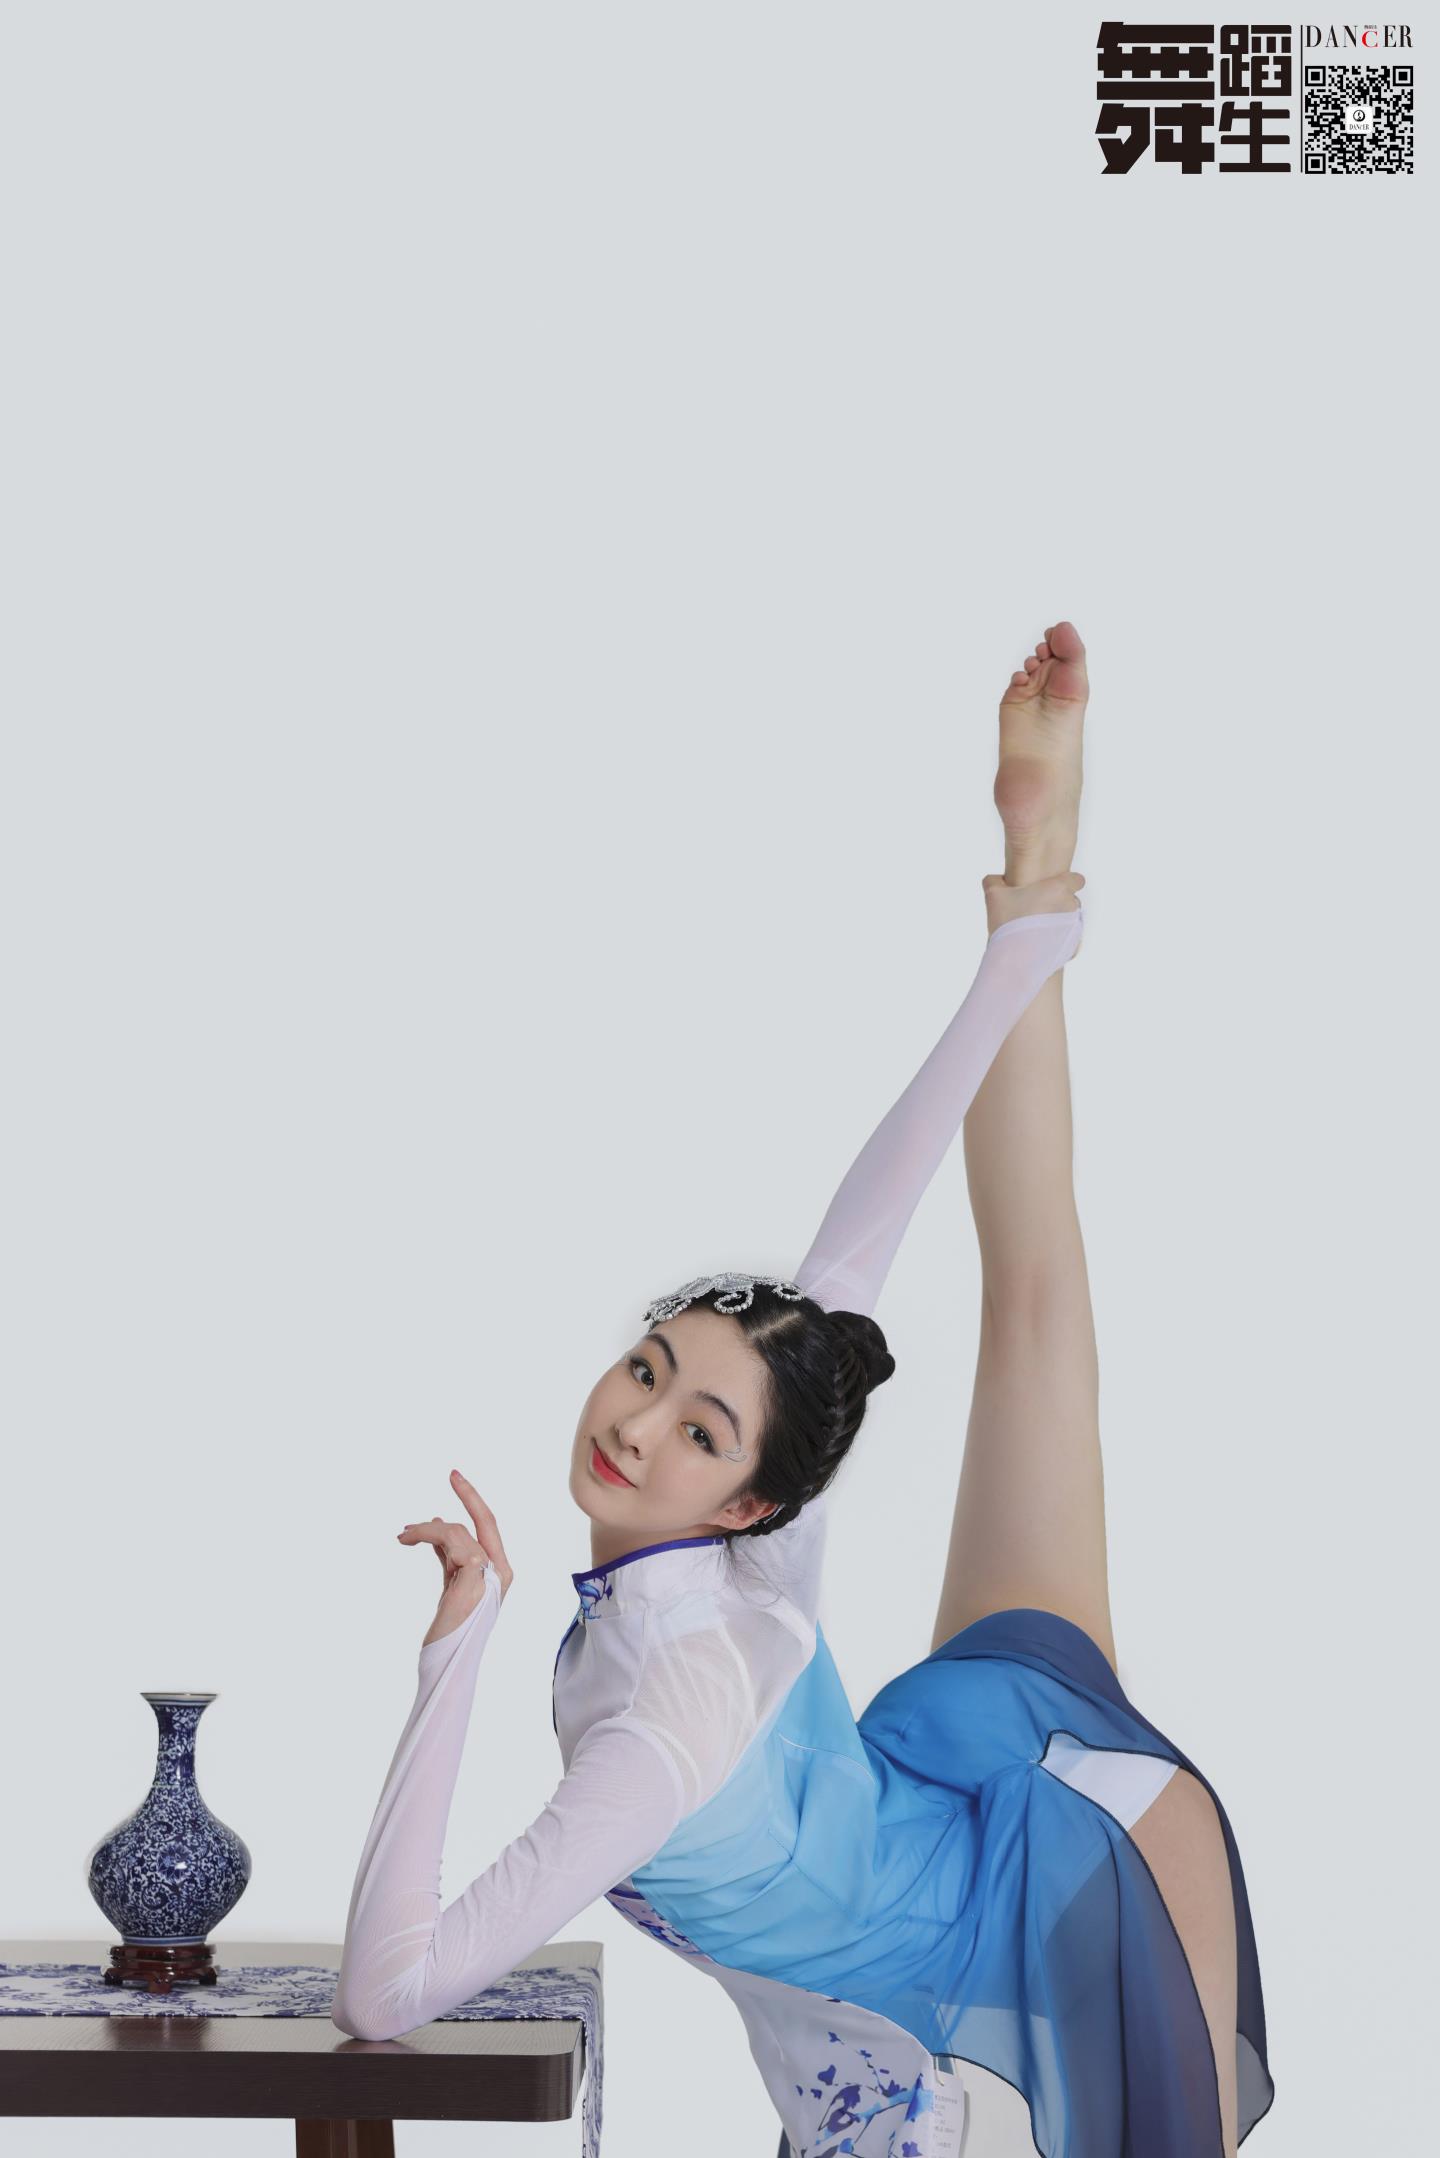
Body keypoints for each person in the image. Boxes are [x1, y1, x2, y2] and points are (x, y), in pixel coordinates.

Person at [332, 622, 1273, 2157]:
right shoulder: (741, 1552)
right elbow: (866, 1229)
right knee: (1037, 1314)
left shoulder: (668, 1720)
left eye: (698, 1425)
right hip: (963, 1794)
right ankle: (1050, 860)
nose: (637, 1423)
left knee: (1040, 1322)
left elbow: (385, 1993)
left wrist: (459, 1645)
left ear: (755, 1494)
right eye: (649, 1369)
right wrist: (1025, 899)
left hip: (1054, 1919)